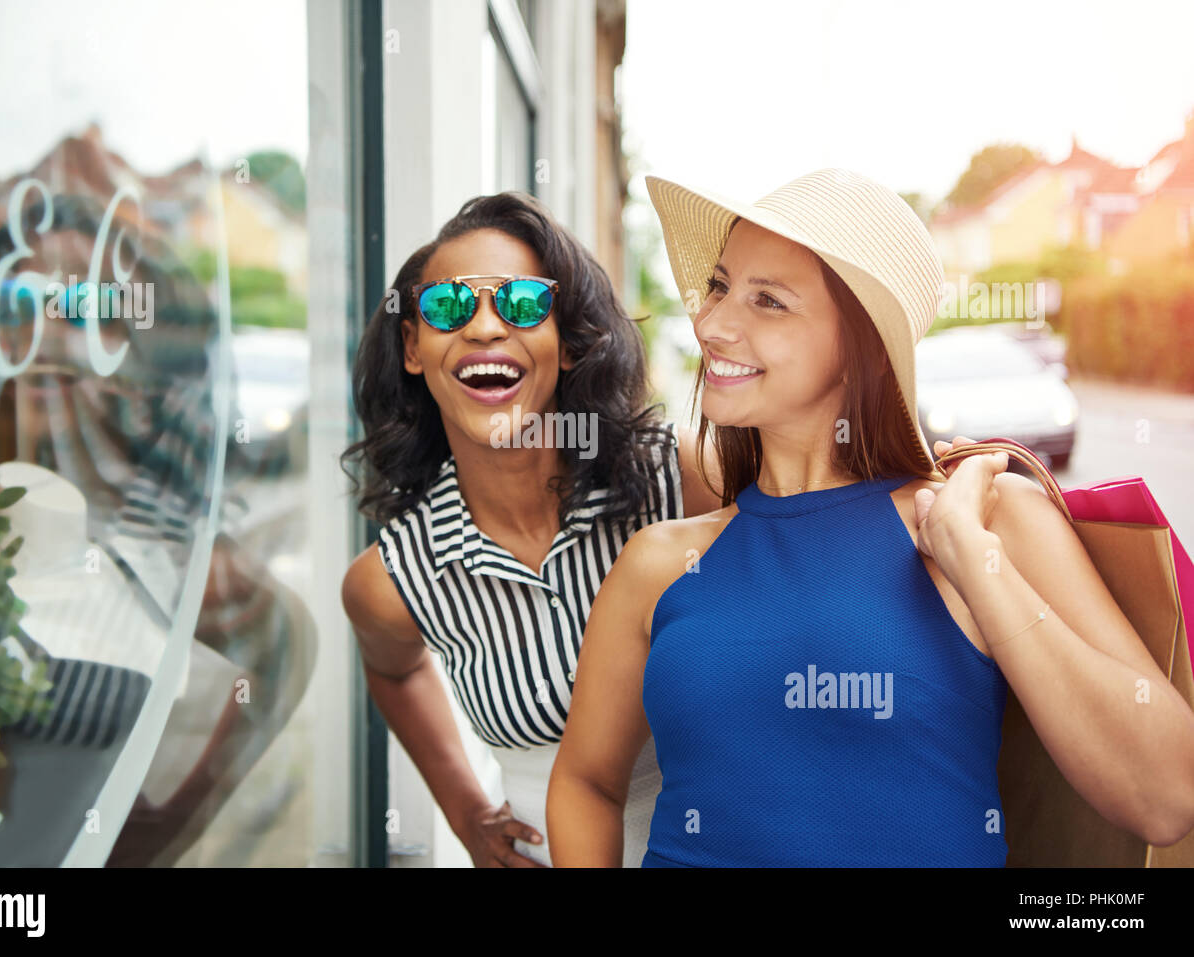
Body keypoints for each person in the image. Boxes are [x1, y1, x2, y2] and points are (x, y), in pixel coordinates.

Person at [547, 168, 1194, 867]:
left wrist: (974, 562)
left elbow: (1167, 795)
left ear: (861, 351)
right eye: (720, 286)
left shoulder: (987, 520)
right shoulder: (658, 563)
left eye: (769, 301)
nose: (712, 322)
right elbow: (585, 782)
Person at [340, 191, 721, 867]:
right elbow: (394, 674)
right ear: (413, 345)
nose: (485, 328)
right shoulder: (393, 579)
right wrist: (464, 811)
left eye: (521, 303)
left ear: (568, 343)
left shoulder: (682, 476)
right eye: (450, 305)